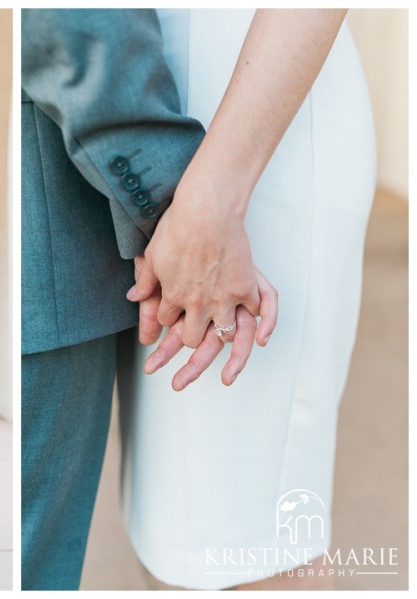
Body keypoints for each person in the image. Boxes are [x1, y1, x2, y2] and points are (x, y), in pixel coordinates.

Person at [20, 9, 277, 590]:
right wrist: (177, 222)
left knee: (247, 542)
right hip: (156, 183)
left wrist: (187, 223)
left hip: (225, 164)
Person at [119, 9, 375, 590]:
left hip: (254, 127)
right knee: (172, 533)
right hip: (150, 110)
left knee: (247, 545)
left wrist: (212, 202)